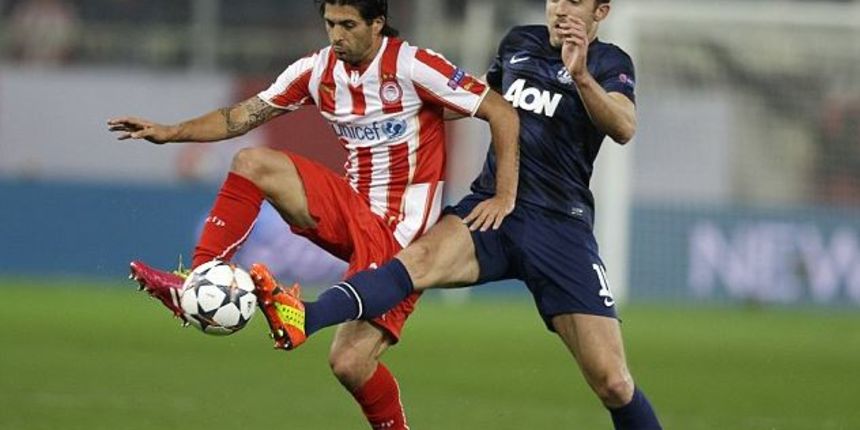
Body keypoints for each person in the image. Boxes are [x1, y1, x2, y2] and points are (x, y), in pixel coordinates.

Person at [107, 1, 520, 429]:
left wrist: (504, 195)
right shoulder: (316, 71)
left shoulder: (415, 66)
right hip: (350, 208)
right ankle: (195, 282)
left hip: (402, 238)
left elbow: (501, 112)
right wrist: (171, 132)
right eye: (330, 24)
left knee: (349, 363)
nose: (337, 35)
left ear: (377, 24)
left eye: (348, 25)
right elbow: (241, 116)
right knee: (252, 163)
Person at [249, 0, 662, 428]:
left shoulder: (611, 62)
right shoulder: (520, 43)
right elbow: (473, 95)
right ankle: (306, 315)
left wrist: (580, 76)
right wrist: (391, 103)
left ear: (602, 12)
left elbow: (624, 126)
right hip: (493, 210)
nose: (560, 8)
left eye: (575, 1)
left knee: (613, 382)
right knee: (415, 262)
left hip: (560, 226)